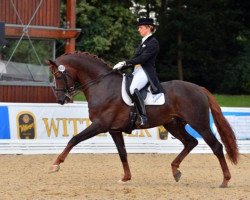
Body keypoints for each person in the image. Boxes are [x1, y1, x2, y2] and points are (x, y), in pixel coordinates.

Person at [113, 17, 164, 126]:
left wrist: (125, 63)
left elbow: (142, 59)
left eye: (140, 27)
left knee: (132, 89)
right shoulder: (143, 42)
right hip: (137, 71)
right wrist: (122, 67)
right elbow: (136, 59)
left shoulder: (153, 42)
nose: (138, 30)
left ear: (149, 28)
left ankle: (143, 117)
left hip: (146, 71)